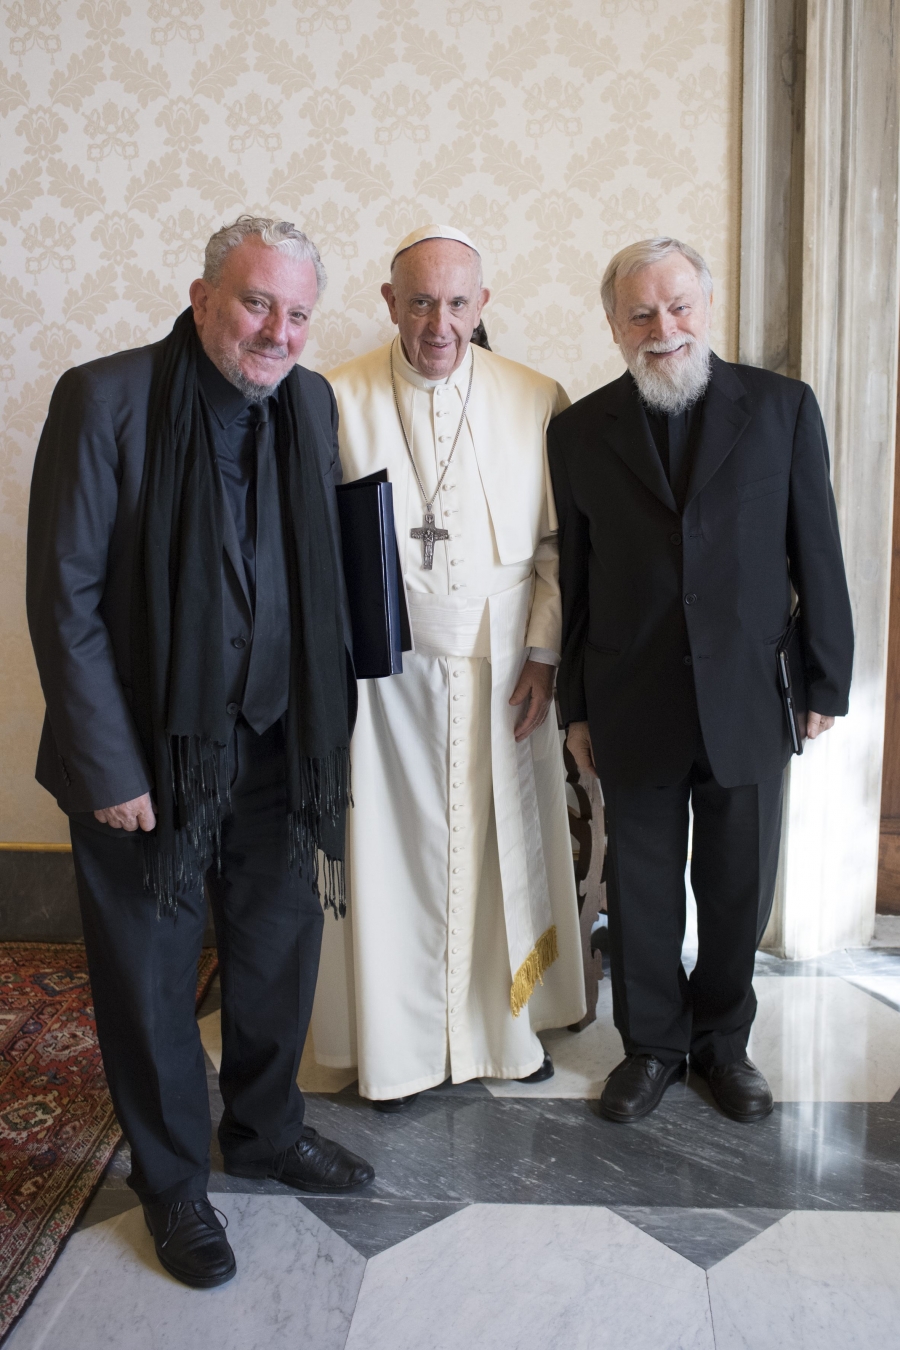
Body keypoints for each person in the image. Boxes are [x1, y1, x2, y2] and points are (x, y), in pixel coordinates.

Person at [26, 216, 374, 1289]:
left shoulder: (311, 404)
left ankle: (267, 1132)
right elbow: (65, 596)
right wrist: (107, 764)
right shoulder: (107, 397)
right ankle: (173, 1182)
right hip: (148, 762)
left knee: (278, 960)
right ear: (202, 295)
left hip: (280, 749)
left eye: (299, 312)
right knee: (148, 981)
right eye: (257, 302)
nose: (279, 330)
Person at [548, 236, 854, 1125]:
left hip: (752, 695)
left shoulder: (783, 408)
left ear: (706, 307)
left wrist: (827, 682)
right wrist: (574, 704)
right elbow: (578, 576)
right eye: (640, 313)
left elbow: (819, 554)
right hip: (630, 697)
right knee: (642, 892)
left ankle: (723, 1045)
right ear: (613, 325)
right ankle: (652, 1048)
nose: (663, 327)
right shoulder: (577, 432)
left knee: (735, 888)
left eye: (678, 306)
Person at [312, 224, 585, 1108]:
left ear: (483, 305)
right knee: (390, 856)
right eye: (421, 301)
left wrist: (543, 653)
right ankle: (390, 1046)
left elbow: (554, 546)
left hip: (505, 668)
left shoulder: (536, 397)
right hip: (378, 680)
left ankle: (504, 1029)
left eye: (458, 302)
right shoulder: (333, 397)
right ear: (390, 302)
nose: (440, 323)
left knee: (503, 852)